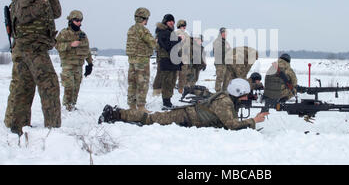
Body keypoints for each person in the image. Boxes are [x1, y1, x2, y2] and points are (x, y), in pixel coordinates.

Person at [4, 0, 62, 135]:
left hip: (29, 47)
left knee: (24, 87)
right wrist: (42, 4)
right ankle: (54, 130)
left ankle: (18, 126)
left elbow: (57, 13)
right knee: (49, 84)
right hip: (31, 47)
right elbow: (23, 15)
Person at [98, 78, 269, 130]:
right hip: (184, 117)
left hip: (189, 116)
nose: (247, 98)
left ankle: (117, 113)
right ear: (238, 94)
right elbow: (231, 124)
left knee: (153, 118)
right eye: (246, 95)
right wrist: (254, 120)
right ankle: (115, 114)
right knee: (151, 119)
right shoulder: (224, 102)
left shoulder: (229, 98)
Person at [55, 10, 93, 111]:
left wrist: (90, 64)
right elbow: (56, 45)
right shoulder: (64, 33)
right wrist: (70, 45)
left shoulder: (83, 35)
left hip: (78, 65)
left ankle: (72, 104)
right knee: (69, 86)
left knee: (76, 87)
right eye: (77, 20)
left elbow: (87, 50)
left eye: (80, 20)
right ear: (71, 20)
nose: (79, 23)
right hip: (68, 64)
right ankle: (67, 106)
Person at [125, 7, 157, 112]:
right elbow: (152, 43)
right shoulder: (142, 29)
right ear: (145, 18)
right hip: (142, 61)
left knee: (132, 83)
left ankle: (132, 106)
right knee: (142, 83)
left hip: (132, 60)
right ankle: (141, 107)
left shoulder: (131, 29)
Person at [155, 14, 183, 108]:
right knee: (167, 82)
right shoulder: (162, 32)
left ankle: (168, 102)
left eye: (173, 21)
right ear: (165, 22)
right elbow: (168, 45)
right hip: (166, 61)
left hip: (172, 61)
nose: (172, 23)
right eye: (169, 21)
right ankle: (166, 103)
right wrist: (179, 39)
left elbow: (175, 48)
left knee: (171, 82)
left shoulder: (170, 32)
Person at [213, 27, 230, 92]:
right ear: (221, 33)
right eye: (223, 33)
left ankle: (224, 91)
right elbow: (218, 51)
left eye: (226, 33)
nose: (225, 34)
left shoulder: (226, 42)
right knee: (220, 77)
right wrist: (227, 49)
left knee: (226, 78)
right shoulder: (217, 41)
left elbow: (229, 51)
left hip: (225, 62)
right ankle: (218, 91)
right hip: (219, 62)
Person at [175, 19, 190, 93]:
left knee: (183, 75)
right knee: (175, 75)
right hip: (176, 57)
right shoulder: (175, 33)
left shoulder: (187, 34)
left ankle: (181, 88)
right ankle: (173, 88)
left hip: (185, 58)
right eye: (182, 26)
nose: (183, 27)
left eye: (184, 26)